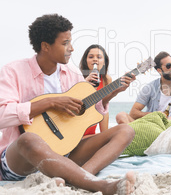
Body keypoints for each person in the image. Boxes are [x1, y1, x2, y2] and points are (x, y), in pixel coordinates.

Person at [0, 14, 137, 194]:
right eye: (65, 43)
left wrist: (108, 96)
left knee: (126, 130)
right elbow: (3, 115)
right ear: (45, 46)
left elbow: (85, 111)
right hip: (22, 159)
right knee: (28, 139)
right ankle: (101, 186)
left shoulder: (71, 72)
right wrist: (50, 102)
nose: (71, 49)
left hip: (64, 151)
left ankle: (80, 177)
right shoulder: (13, 71)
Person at [116, 51, 171, 123]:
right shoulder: (149, 88)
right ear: (159, 71)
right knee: (121, 116)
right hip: (152, 126)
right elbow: (133, 113)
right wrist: (156, 115)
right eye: (168, 66)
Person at [79, 44, 112, 137]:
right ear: (86, 61)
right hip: (76, 133)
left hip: (90, 135)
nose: (95, 59)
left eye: (99, 57)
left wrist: (105, 136)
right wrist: (84, 83)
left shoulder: (106, 80)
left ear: (104, 62)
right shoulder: (78, 77)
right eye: (91, 57)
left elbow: (104, 110)